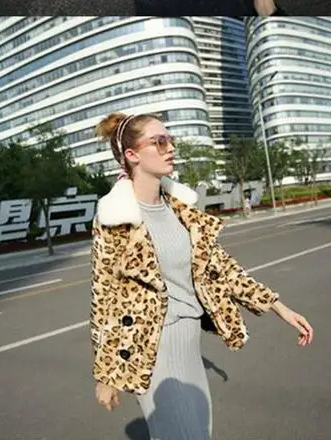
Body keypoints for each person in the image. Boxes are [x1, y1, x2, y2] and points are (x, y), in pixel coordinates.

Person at [90, 112, 314, 439]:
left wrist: (279, 307)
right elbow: (104, 297)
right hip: (154, 348)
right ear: (132, 155)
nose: (170, 148)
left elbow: (223, 267)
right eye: (159, 141)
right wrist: (106, 374)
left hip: (189, 345)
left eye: (171, 140)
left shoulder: (181, 210)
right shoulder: (115, 219)